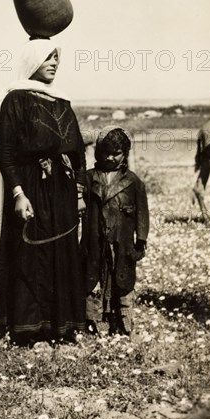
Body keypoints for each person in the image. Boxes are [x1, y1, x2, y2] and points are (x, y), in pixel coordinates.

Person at [0, 39, 86, 344]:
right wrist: (17, 193)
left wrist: (79, 192)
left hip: (62, 190)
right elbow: (6, 151)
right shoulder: (16, 100)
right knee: (30, 255)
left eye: (56, 58)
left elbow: (78, 152)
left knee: (62, 253)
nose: (54, 63)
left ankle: (60, 326)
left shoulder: (62, 101)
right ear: (31, 61)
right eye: (47, 57)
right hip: (31, 186)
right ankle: (29, 330)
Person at [82, 128, 149, 336]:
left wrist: (141, 239)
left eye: (116, 152)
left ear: (125, 153)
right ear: (98, 153)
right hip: (95, 241)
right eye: (105, 152)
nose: (110, 157)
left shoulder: (133, 182)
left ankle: (123, 322)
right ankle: (95, 322)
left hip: (123, 243)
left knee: (123, 280)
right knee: (94, 279)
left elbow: (142, 213)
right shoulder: (88, 178)